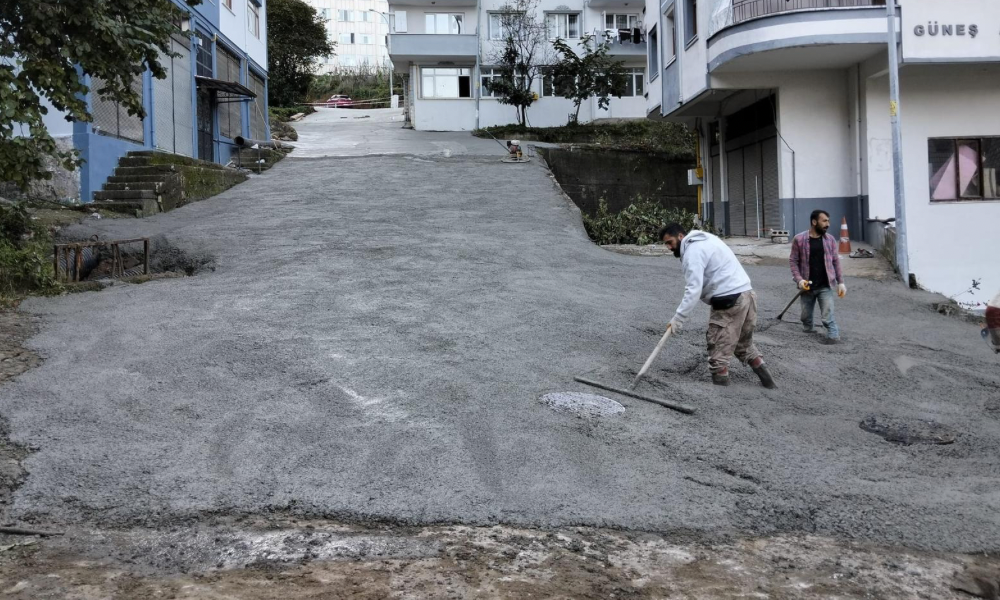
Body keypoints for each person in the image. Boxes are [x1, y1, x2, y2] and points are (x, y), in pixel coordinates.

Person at [660, 223, 776, 388]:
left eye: (670, 242)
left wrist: (678, 318)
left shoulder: (692, 252)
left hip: (729, 302)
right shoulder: (707, 239)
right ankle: (770, 384)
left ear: (680, 236)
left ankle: (721, 399)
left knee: (718, 353)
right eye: (666, 244)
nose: (669, 247)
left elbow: (693, 289)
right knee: (744, 345)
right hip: (747, 295)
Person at [789, 210, 846, 344]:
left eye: (828, 221)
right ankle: (808, 332)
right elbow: (793, 261)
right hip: (807, 286)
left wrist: (841, 282)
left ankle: (833, 336)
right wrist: (799, 280)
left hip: (825, 285)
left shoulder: (830, 240)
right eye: (824, 221)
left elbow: (835, 261)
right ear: (814, 222)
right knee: (805, 317)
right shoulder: (799, 239)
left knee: (828, 316)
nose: (828, 224)